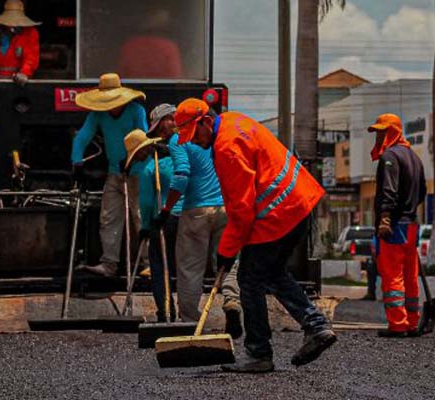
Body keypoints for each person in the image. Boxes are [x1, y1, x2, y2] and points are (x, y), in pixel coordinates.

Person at [174, 98, 336, 373]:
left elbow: (241, 212)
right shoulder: (233, 120)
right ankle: (316, 325)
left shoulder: (226, 148)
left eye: (194, 134)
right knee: (271, 273)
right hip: (298, 202)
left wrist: (225, 252)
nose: (195, 142)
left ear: (204, 121)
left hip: (277, 213)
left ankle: (259, 353)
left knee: (249, 279)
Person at [148, 103, 242, 338]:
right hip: (225, 207)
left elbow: (181, 176)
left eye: (160, 127)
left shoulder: (177, 140)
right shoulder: (213, 135)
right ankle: (232, 300)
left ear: (172, 119)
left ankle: (190, 322)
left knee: (190, 269)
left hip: (195, 211)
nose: (161, 134)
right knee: (226, 261)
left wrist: (167, 209)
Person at [72, 73, 148, 276]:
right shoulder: (98, 114)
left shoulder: (135, 110)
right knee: (109, 217)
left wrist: (132, 159)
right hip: (114, 172)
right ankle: (109, 264)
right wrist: (77, 161)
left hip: (138, 172)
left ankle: (148, 263)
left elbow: (143, 140)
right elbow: (82, 137)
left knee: (140, 216)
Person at [366, 114, 426, 338]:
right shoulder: (414, 157)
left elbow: (388, 191)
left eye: (382, 131)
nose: (379, 136)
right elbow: (421, 192)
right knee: (410, 276)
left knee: (392, 276)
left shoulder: (390, 156)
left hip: (394, 226)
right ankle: (412, 322)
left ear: (392, 132)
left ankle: (398, 324)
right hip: (411, 225)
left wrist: (385, 218)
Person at [125, 129, 179, 321]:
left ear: (143, 150)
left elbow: (147, 203)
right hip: (184, 217)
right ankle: (187, 313)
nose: (137, 158)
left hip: (162, 219)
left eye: (137, 154)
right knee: (184, 267)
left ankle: (165, 311)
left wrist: (146, 227)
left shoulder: (149, 169)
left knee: (159, 267)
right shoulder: (175, 162)